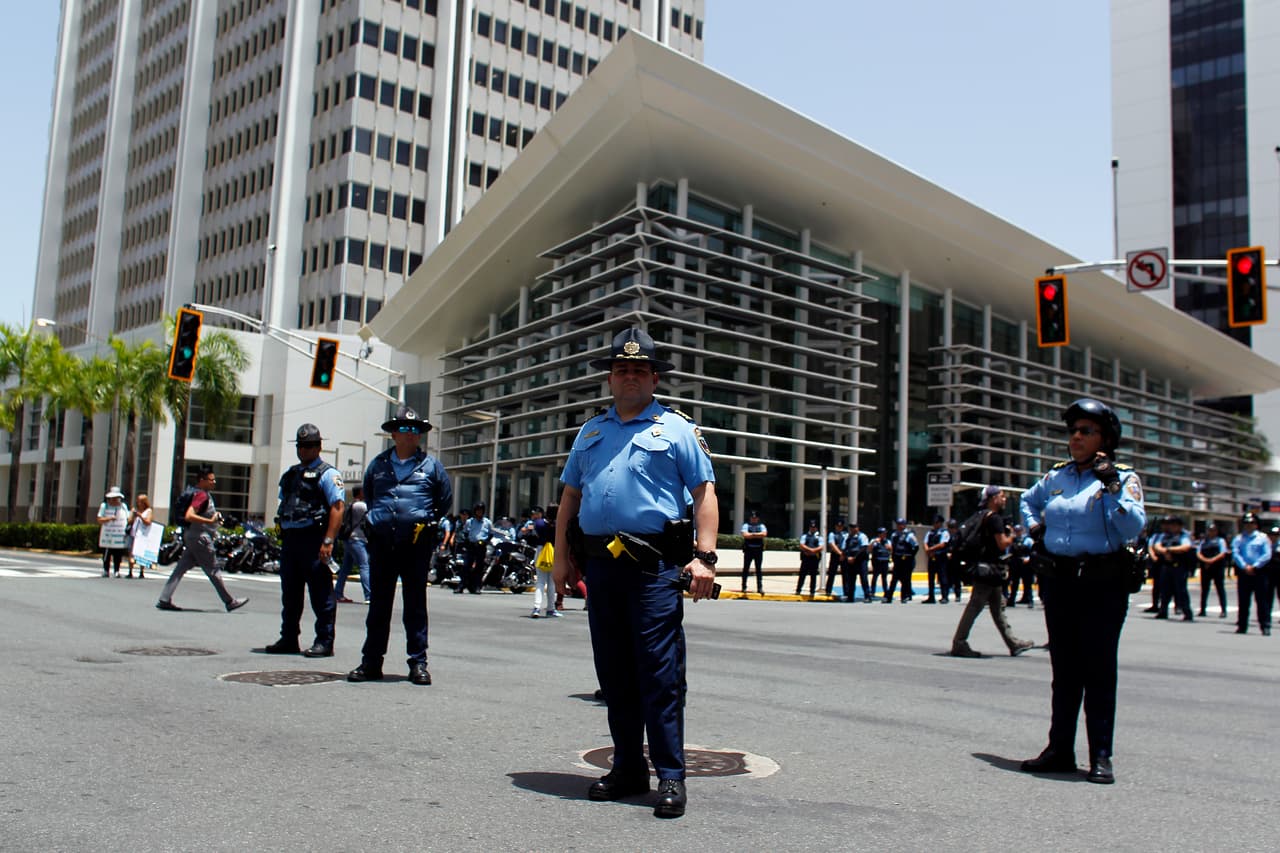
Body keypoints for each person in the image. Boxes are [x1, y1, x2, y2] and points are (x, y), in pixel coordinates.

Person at [551, 326, 718, 819]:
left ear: (654, 378)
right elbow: (570, 498)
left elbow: (704, 494)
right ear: (609, 378)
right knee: (614, 672)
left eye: (639, 370)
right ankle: (627, 768)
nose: (629, 377)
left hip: (653, 569)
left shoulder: (677, 430)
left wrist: (703, 557)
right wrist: (560, 557)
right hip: (601, 567)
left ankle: (670, 774)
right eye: (621, 369)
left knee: (659, 674)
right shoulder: (591, 432)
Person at [1019, 398, 1146, 785]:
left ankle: (1101, 756)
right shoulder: (1056, 477)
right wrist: (1035, 530)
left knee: (1099, 670)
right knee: (1065, 670)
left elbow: (1133, 527)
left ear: (1105, 438)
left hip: (1102, 583)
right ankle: (1059, 749)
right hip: (1059, 582)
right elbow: (1027, 502)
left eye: (1085, 430)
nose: (1076, 436)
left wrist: (1109, 486)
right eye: (1073, 430)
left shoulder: (1123, 478)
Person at [348, 406, 452, 685]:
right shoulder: (378, 465)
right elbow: (370, 497)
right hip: (383, 544)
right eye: (404, 429)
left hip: (416, 544)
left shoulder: (431, 466)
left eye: (415, 430)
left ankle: (418, 663)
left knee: (415, 605)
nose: (409, 435)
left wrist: (423, 520)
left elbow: (444, 501)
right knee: (379, 605)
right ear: (393, 433)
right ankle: (371, 662)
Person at [264, 424, 345, 657]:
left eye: (309, 445)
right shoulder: (290, 474)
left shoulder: (328, 474)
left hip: (314, 539)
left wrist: (328, 541)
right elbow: (284, 504)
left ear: (319, 446)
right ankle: (289, 638)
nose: (304, 450)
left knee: (321, 594)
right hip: (291, 540)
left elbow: (337, 508)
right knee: (290, 593)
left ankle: (324, 641)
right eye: (301, 446)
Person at [949, 485, 1035, 659]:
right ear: (993, 498)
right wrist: (1011, 536)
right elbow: (1002, 543)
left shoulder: (981, 515)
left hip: (988, 569)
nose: (1004, 499)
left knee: (998, 608)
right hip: (988, 570)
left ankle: (1013, 643)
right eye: (1002, 496)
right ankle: (959, 643)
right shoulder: (994, 518)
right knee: (975, 607)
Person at [156, 466, 249, 613]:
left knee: (180, 569)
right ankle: (230, 601)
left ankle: (164, 598)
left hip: (192, 536)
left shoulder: (202, 494)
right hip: (200, 537)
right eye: (211, 480)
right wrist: (210, 521)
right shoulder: (201, 495)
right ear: (202, 480)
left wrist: (213, 518)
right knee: (213, 570)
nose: (214, 482)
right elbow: (189, 515)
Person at [1231, 513, 1272, 635]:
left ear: (1256, 524)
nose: (1249, 525)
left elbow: (1267, 555)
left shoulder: (1263, 538)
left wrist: (1255, 566)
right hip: (1244, 572)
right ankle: (1242, 626)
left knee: (1262, 601)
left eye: (1251, 523)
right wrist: (1244, 566)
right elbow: (1235, 553)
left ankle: (1265, 626)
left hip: (1259, 572)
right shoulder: (1238, 538)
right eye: (1246, 523)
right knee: (1243, 601)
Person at [1152, 516, 1194, 622]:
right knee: (1165, 590)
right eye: (1171, 525)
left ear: (1180, 526)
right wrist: (1165, 551)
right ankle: (1163, 611)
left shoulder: (1183, 536)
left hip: (1179, 566)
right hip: (1166, 566)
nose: (1172, 527)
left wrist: (1170, 550)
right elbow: (1156, 546)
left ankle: (1187, 613)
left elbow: (1186, 547)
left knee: (1181, 591)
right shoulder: (1166, 536)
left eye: (1174, 525)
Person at [334, 485, 370, 604]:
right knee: (364, 566)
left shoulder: (351, 504)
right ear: (360, 493)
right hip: (358, 540)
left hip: (350, 539)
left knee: (345, 568)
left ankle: (338, 593)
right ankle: (369, 595)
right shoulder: (361, 506)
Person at [523, 506, 559, 618]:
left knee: (540, 581)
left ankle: (537, 607)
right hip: (553, 551)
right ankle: (551, 608)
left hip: (541, 550)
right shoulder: (558, 524)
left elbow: (525, 530)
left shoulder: (538, 523)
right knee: (551, 582)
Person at [456, 502, 492, 594]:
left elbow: (490, 534)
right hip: (471, 545)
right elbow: (465, 532)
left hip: (481, 546)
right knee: (466, 566)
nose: (479, 512)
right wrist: (467, 541)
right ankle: (461, 586)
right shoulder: (470, 521)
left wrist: (485, 541)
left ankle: (477, 586)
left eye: (481, 511)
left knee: (479, 568)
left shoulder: (487, 522)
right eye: (477, 510)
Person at [96, 486, 131, 578]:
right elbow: (99, 519)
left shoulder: (123, 506)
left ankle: (117, 570)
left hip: (119, 534)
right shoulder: (104, 506)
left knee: (118, 554)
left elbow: (128, 518)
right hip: (108, 535)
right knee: (107, 554)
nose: (115, 500)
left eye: (116, 498)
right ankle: (105, 570)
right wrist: (109, 518)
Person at [1196, 523, 1228, 618]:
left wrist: (1211, 561)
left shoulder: (1220, 541)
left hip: (1217, 567)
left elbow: (1222, 553)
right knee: (1204, 589)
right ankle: (1202, 609)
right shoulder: (1203, 541)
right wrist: (1205, 560)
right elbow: (1198, 553)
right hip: (1205, 567)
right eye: (1209, 530)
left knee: (1220, 589)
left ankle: (1223, 610)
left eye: (1213, 530)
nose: (1211, 532)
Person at [886, 518, 917, 602]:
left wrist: (910, 557)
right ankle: (889, 597)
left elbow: (916, 546)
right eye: (898, 524)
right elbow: (893, 547)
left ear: (904, 525)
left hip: (906, 559)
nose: (899, 526)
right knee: (894, 578)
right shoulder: (894, 535)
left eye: (900, 524)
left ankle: (904, 596)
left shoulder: (909, 535)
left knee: (905, 578)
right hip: (897, 559)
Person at [922, 516, 950, 603]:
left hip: (940, 557)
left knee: (942, 577)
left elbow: (942, 544)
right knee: (931, 578)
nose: (935, 524)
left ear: (940, 523)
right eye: (934, 522)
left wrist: (931, 549)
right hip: (932, 557)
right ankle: (931, 597)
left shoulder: (944, 532)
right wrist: (927, 550)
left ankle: (944, 596)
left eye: (937, 522)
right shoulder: (930, 532)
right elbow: (925, 542)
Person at [740, 509, 767, 595]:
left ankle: (760, 588)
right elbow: (745, 535)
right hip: (748, 550)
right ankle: (743, 587)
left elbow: (764, 534)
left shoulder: (761, 525)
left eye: (755, 518)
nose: (754, 519)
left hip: (758, 550)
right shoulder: (746, 525)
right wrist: (757, 535)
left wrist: (751, 535)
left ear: (758, 518)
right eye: (752, 518)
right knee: (746, 569)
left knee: (758, 570)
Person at [128, 494, 154, 579]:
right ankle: (130, 571)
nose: (138, 503)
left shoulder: (148, 511)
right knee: (131, 553)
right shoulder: (134, 509)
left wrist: (140, 516)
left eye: (140, 501)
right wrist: (133, 516)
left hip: (142, 536)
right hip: (134, 534)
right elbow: (129, 521)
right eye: (138, 501)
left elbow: (148, 522)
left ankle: (141, 571)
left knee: (141, 554)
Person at [843, 521, 871, 602]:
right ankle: (850, 597)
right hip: (851, 561)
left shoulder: (862, 536)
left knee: (864, 579)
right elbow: (845, 548)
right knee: (851, 580)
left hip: (861, 560)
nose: (853, 529)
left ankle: (867, 596)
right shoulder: (848, 537)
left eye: (854, 527)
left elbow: (863, 548)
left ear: (858, 528)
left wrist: (854, 558)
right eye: (851, 527)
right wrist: (847, 557)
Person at [796, 519, 822, 597]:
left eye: (814, 527)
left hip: (814, 559)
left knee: (813, 576)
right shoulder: (804, 536)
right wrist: (810, 550)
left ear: (816, 528)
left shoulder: (819, 537)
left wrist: (813, 551)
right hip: (806, 558)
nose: (812, 528)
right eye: (811, 527)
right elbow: (801, 545)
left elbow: (821, 547)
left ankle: (812, 591)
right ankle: (798, 590)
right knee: (802, 575)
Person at [824, 518, 849, 597]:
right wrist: (840, 553)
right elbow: (832, 544)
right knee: (831, 573)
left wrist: (843, 554)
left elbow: (847, 544)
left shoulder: (846, 534)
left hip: (844, 555)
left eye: (841, 526)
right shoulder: (832, 534)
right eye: (838, 526)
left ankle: (846, 592)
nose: (839, 528)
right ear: (835, 526)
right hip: (835, 555)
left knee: (845, 575)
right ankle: (828, 591)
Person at [869, 528, 891, 600]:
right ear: (879, 534)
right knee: (875, 576)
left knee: (884, 578)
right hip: (876, 561)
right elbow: (869, 549)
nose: (885, 535)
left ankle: (886, 592)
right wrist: (874, 542)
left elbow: (892, 549)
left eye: (885, 533)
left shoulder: (887, 541)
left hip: (885, 561)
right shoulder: (874, 540)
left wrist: (889, 547)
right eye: (883, 533)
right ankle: (872, 591)